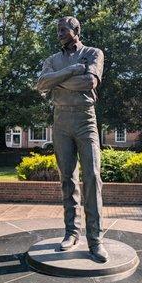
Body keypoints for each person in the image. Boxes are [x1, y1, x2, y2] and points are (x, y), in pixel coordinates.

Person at [36, 16, 108, 263]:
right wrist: (70, 71)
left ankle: (96, 241)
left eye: (64, 29)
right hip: (61, 121)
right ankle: (71, 232)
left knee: (92, 175)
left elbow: (90, 81)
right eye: (57, 30)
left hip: (85, 119)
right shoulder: (52, 60)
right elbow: (41, 84)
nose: (59, 33)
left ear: (76, 30)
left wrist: (58, 80)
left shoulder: (93, 53)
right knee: (67, 178)